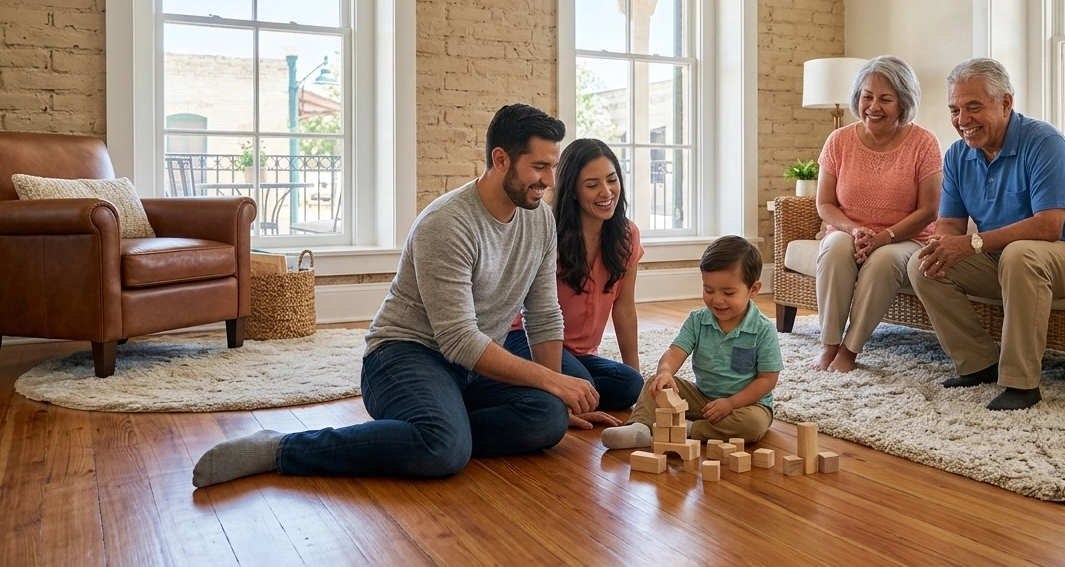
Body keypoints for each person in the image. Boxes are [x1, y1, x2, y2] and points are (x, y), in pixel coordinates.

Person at [191, 104, 601, 487]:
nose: (549, 181)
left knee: (548, 419)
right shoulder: (447, 223)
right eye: (540, 167)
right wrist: (551, 379)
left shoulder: (540, 221)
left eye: (553, 167)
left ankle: (435, 432)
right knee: (443, 449)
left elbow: (544, 314)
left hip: (471, 368)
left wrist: (557, 390)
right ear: (500, 160)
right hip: (403, 355)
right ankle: (282, 448)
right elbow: (458, 339)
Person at [910, 58, 1065, 411]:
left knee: (1021, 254)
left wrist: (973, 243)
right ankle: (979, 363)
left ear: (1006, 103)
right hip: (1004, 258)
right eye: (955, 109)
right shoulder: (958, 155)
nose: (962, 120)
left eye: (974, 107)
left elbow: (1049, 227)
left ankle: (1022, 383)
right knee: (923, 265)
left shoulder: (1043, 141)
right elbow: (950, 226)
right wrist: (940, 246)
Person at [812, 56, 943, 373]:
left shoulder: (924, 143)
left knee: (883, 260)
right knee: (833, 249)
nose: (873, 106)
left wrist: (884, 238)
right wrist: (855, 230)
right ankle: (829, 345)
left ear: (903, 102)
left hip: (906, 238)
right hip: (850, 232)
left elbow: (929, 210)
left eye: (885, 99)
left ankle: (849, 351)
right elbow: (825, 204)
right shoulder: (839, 140)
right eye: (867, 96)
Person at [503, 138, 644, 426]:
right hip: (526, 339)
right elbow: (530, 312)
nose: (606, 192)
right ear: (574, 191)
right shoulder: (548, 233)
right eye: (592, 185)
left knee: (630, 384)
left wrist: (639, 381)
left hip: (579, 353)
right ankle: (540, 391)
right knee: (581, 384)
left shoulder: (627, 235)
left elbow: (625, 309)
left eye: (612, 180)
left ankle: (556, 390)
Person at [600, 236, 783, 449]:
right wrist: (665, 372)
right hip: (702, 398)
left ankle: (690, 430)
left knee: (753, 424)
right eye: (709, 290)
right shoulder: (698, 320)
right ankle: (640, 427)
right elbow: (675, 352)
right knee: (653, 383)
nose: (717, 300)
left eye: (728, 293)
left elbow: (767, 380)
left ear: (753, 289)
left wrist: (731, 403)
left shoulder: (763, 329)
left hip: (745, 405)